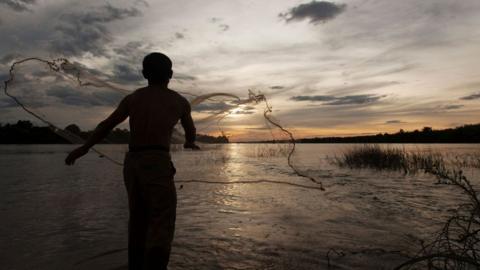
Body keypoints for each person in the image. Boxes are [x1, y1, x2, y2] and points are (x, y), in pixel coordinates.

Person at [65, 52, 199, 270]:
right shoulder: (180, 102)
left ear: (144, 74)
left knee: (137, 220)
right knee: (161, 221)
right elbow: (190, 131)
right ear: (171, 75)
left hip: (133, 162)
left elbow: (106, 125)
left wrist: (84, 147)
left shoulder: (133, 98)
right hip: (158, 161)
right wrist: (190, 143)